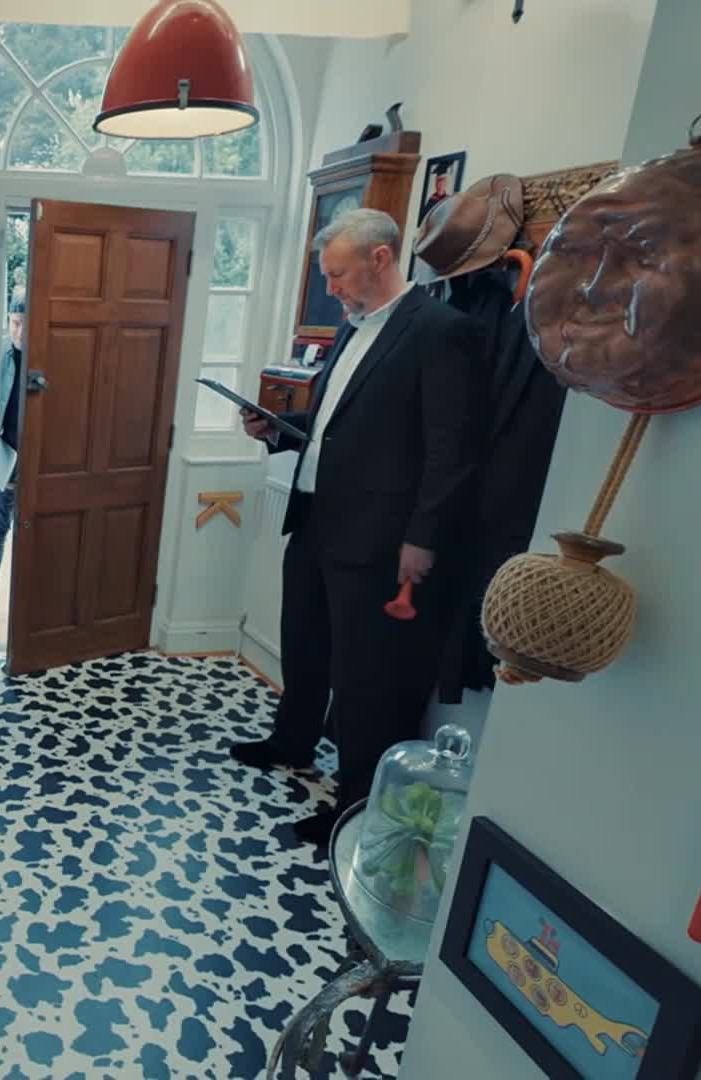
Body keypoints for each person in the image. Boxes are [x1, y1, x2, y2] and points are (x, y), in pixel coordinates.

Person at [234, 208, 485, 846]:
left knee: (366, 676)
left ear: (380, 258)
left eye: (339, 274)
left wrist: (422, 539)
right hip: (316, 519)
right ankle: (292, 741)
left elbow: (450, 450)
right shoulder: (352, 330)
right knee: (305, 642)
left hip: (380, 538)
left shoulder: (440, 331)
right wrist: (278, 432)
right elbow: (336, 428)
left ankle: (353, 805)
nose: (332, 288)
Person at [0, 295, 26, 608]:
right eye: (16, 323)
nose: (21, 332)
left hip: (41, 458)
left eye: (27, 324)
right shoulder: (0, 353)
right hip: (7, 455)